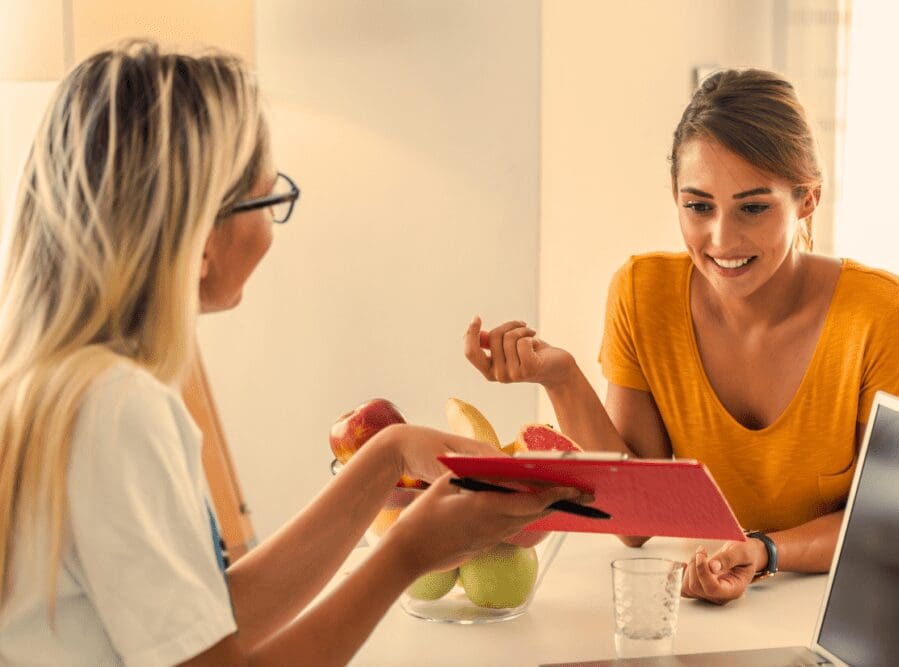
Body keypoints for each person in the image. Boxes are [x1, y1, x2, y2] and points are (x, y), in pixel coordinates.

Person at [0, 41, 583, 665]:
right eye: (267, 200)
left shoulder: (56, 387)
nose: (271, 230)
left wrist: (388, 454)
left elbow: (214, 621)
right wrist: (407, 556)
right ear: (198, 236)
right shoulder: (120, 410)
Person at [464, 69, 899, 605]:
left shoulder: (884, 313)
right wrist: (561, 378)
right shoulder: (641, 293)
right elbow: (636, 519)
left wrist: (762, 551)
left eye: (753, 207)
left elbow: (895, 522)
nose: (721, 239)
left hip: (845, 608)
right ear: (676, 197)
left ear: (807, 198)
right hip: (702, 612)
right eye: (698, 206)